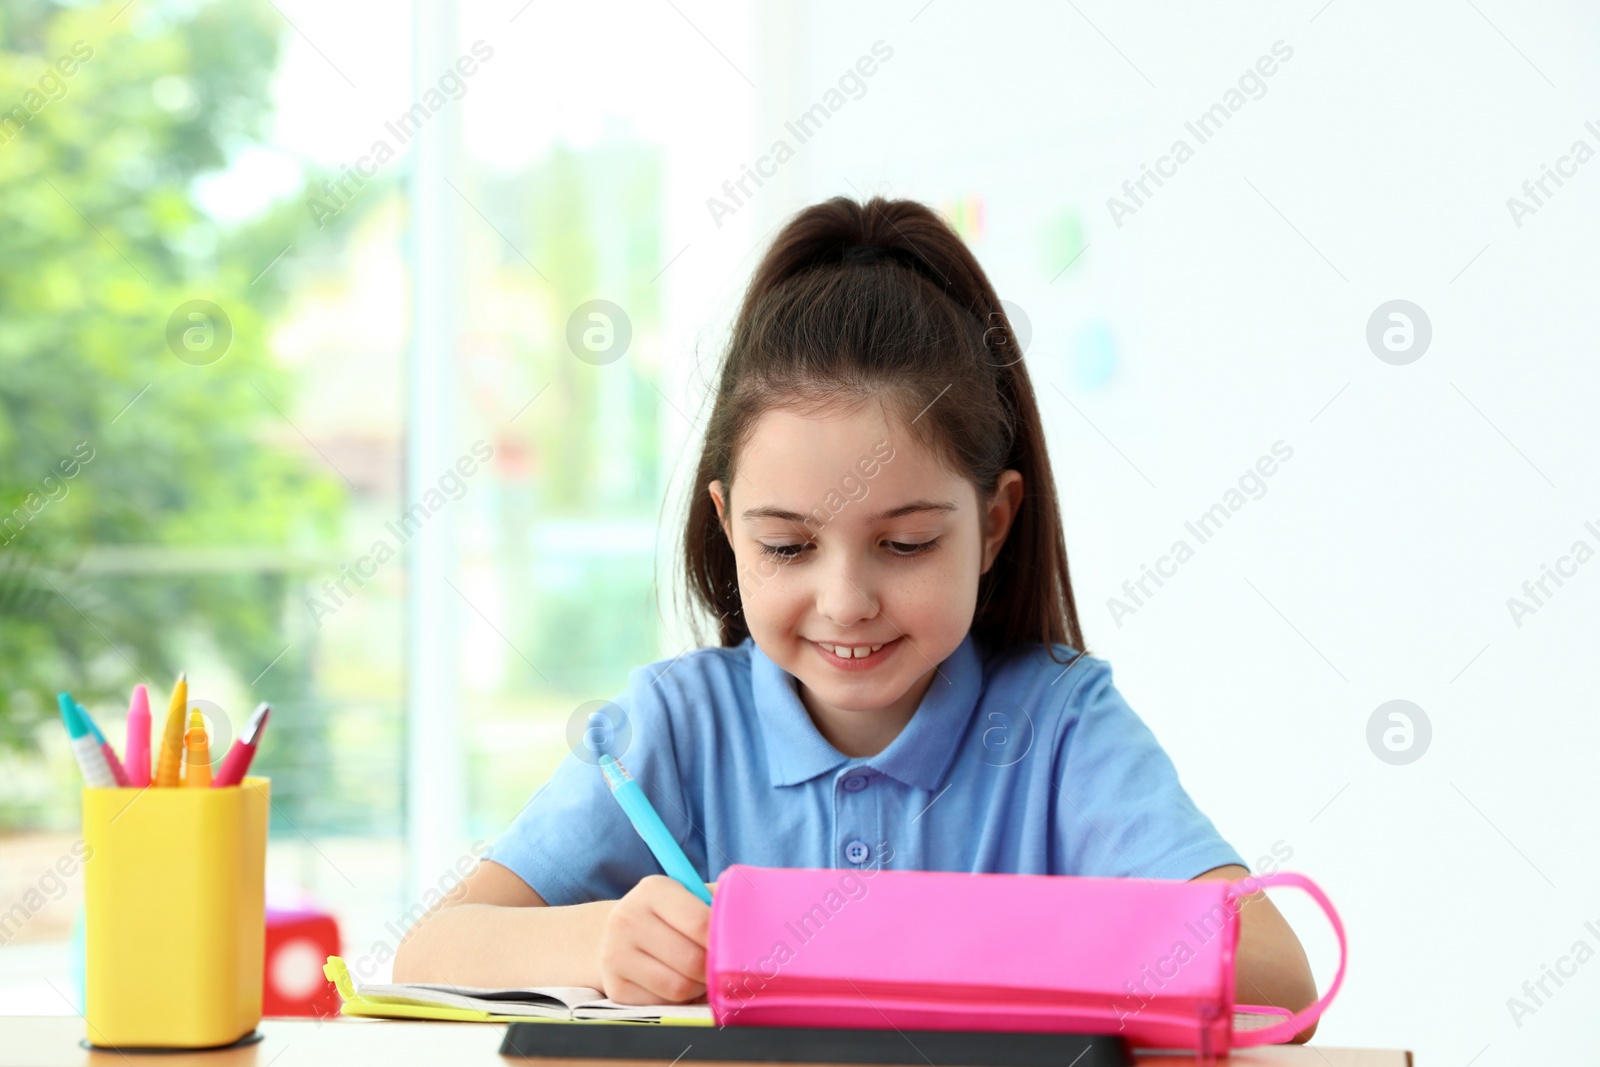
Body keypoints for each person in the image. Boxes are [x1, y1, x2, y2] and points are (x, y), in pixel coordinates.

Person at [394, 195, 1318, 1038]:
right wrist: (598, 942)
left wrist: (984, 941)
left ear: (993, 525)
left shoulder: (1059, 730)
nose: (846, 601)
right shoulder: (674, 731)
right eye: (788, 548)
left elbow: (1282, 981)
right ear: (727, 526)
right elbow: (426, 952)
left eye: (906, 543)